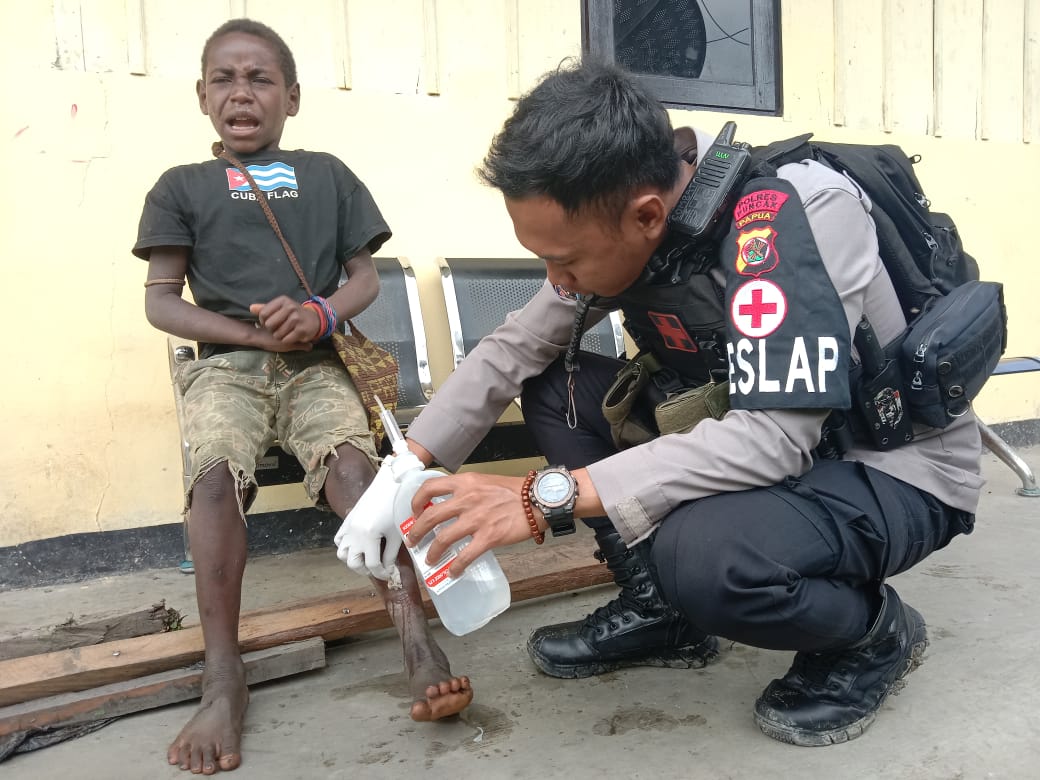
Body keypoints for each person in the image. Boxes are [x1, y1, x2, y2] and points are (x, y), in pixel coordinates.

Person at [337, 60, 980, 747]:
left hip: (886, 464)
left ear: (647, 215)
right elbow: (512, 348)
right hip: (772, 444)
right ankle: (662, 612)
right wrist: (401, 470)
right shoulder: (617, 215)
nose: (558, 282)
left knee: (705, 557)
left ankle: (872, 635)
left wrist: (541, 496)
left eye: (567, 263)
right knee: (561, 388)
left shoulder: (797, 214)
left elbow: (773, 435)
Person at [133, 18, 471, 775]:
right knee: (213, 478)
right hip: (227, 365)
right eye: (224, 78)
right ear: (201, 96)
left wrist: (317, 314)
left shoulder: (326, 175)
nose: (241, 92)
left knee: (355, 473)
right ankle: (223, 677)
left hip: (319, 362)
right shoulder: (180, 186)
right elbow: (160, 301)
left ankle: (415, 636)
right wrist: (252, 337)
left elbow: (362, 280)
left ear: (291, 97)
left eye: (259, 79)